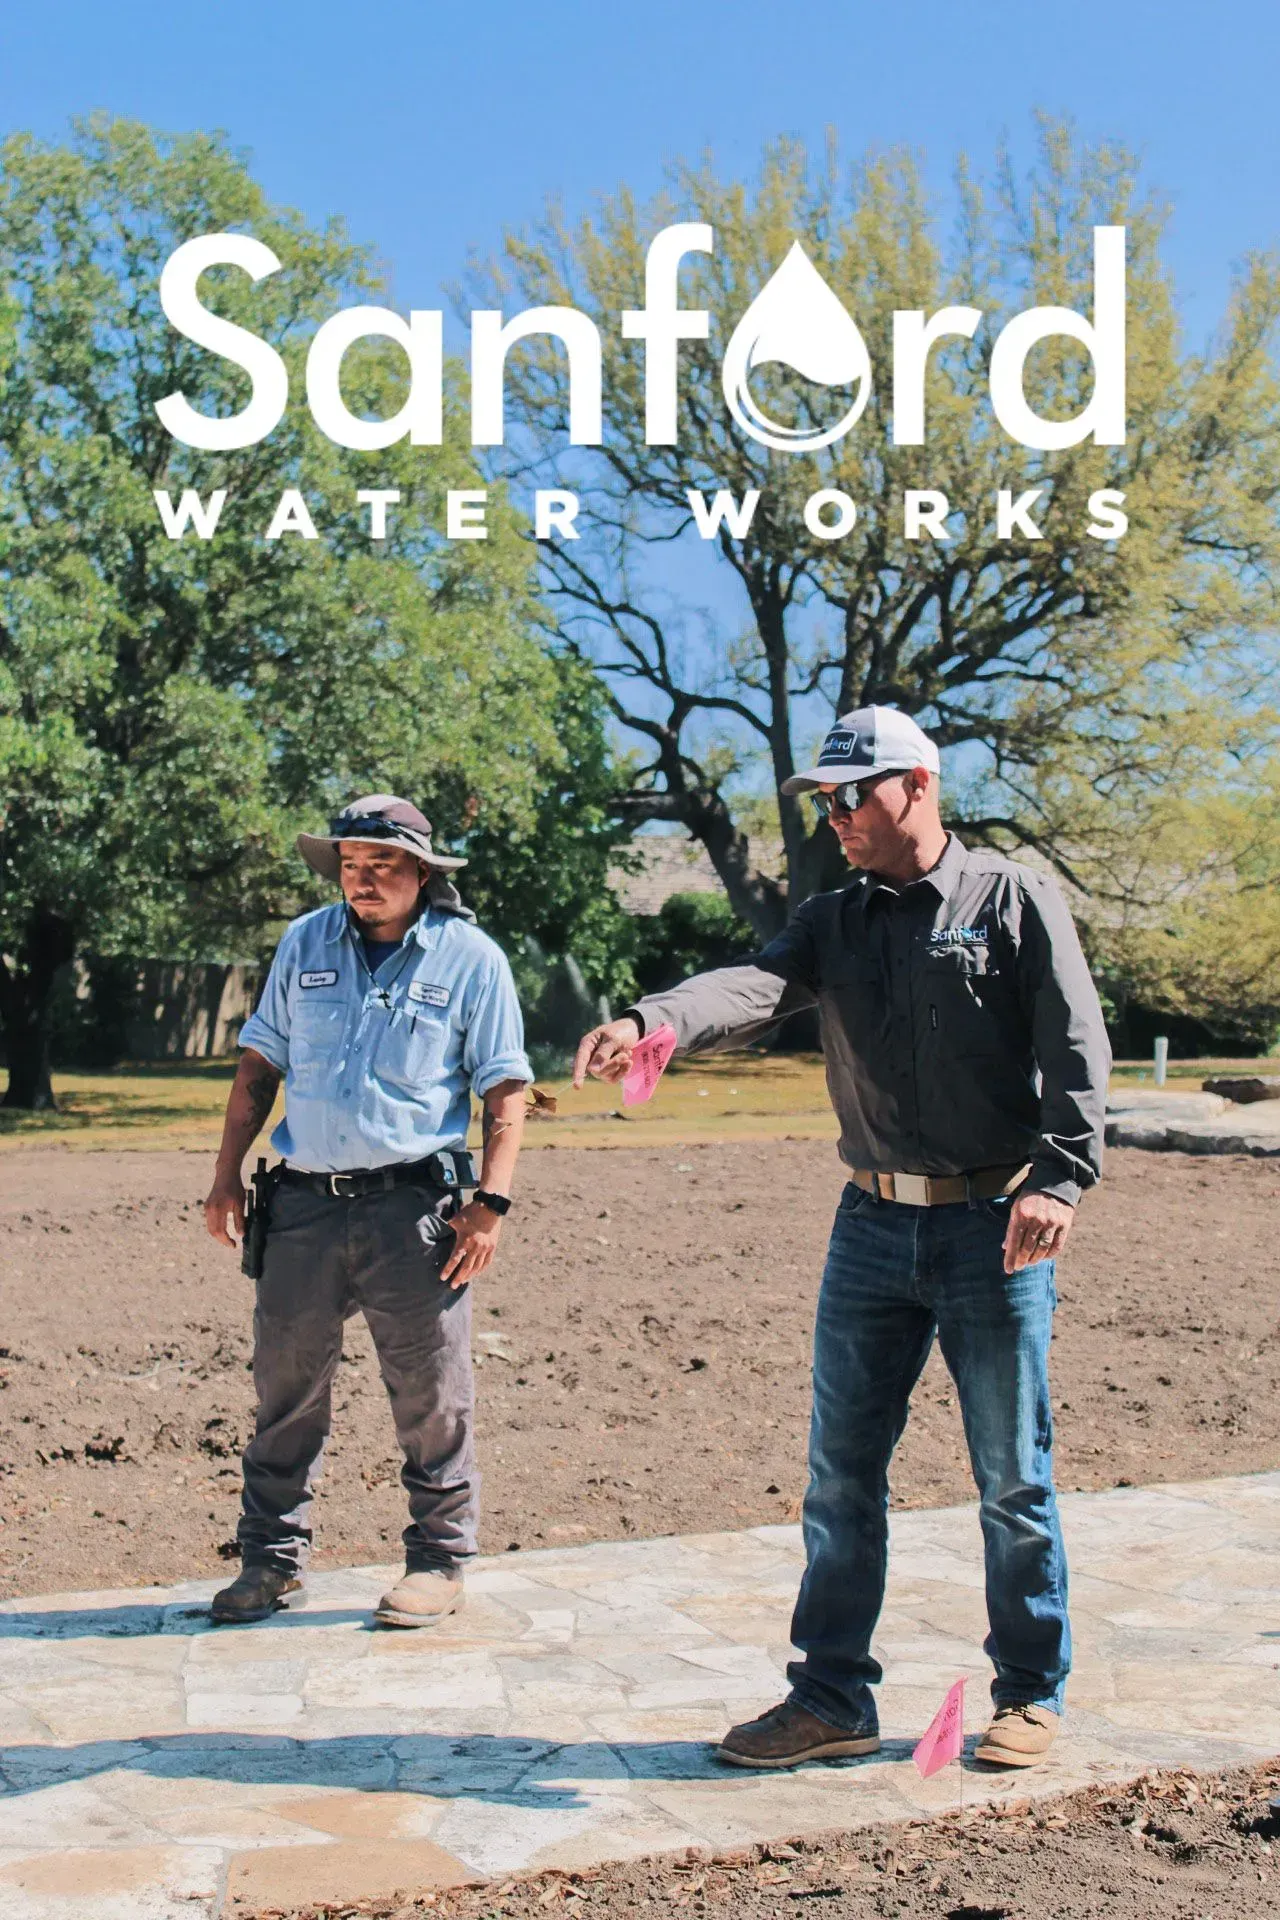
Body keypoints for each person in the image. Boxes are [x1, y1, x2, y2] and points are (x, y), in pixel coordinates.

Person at [574, 707, 1110, 1771]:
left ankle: (1028, 1694)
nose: (834, 818)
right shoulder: (833, 919)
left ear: (915, 784)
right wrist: (655, 1019)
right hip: (868, 1228)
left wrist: (1060, 1176)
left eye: (848, 796)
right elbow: (754, 982)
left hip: (989, 1226)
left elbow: (1074, 1044)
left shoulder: (1011, 900)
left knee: (1009, 1474)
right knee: (838, 1476)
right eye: (823, 801)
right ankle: (829, 1699)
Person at [203, 795, 532, 1628]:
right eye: (349, 863)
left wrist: (489, 1205)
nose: (361, 878)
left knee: (430, 1389)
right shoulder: (303, 943)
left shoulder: (470, 959)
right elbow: (259, 1061)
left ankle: (438, 1560)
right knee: (283, 1386)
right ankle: (270, 1560)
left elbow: (505, 1085)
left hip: (412, 1209)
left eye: (381, 863)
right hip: (304, 1207)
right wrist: (225, 1174)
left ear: (423, 871)